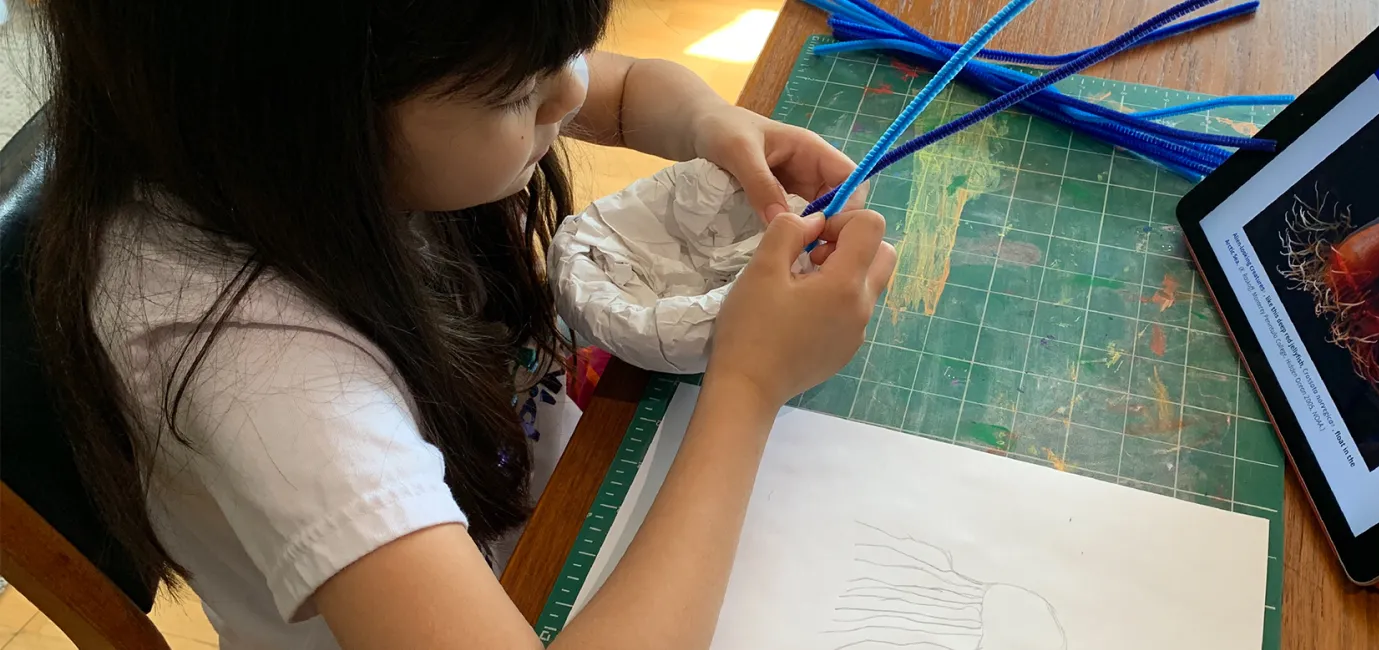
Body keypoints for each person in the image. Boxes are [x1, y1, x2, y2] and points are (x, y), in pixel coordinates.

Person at [24, 1, 896, 648]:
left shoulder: (294, 120)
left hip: (536, 522)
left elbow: (620, 90)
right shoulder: (257, 369)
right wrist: (747, 387)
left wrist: (713, 122)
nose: (572, 89)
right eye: (523, 90)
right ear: (316, 115)